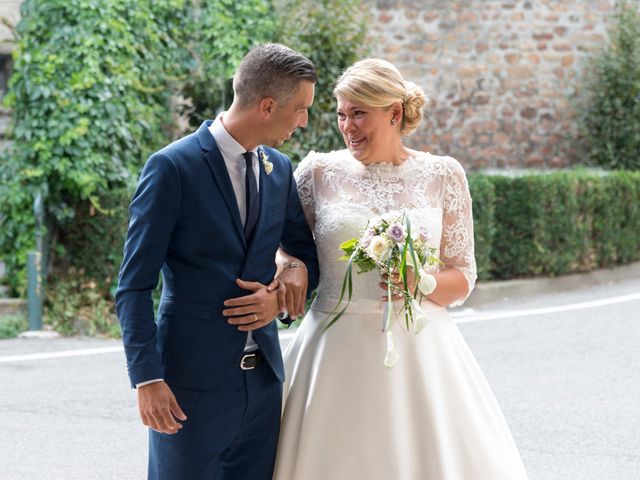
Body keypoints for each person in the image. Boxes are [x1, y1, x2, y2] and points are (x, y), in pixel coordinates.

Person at [273, 59, 529, 479]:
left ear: (394, 113)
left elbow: (463, 276)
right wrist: (290, 266)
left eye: (359, 113)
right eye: (341, 114)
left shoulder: (443, 174)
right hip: (333, 349)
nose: (347, 126)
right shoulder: (316, 172)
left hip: (421, 351)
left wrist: (420, 280)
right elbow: (286, 250)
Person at [115, 43, 319, 480]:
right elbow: (133, 285)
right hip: (188, 389)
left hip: (264, 386)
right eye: (300, 109)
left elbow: (306, 255)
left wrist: (281, 293)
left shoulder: (279, 169)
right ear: (267, 106)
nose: (304, 120)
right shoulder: (172, 167)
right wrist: (146, 378)